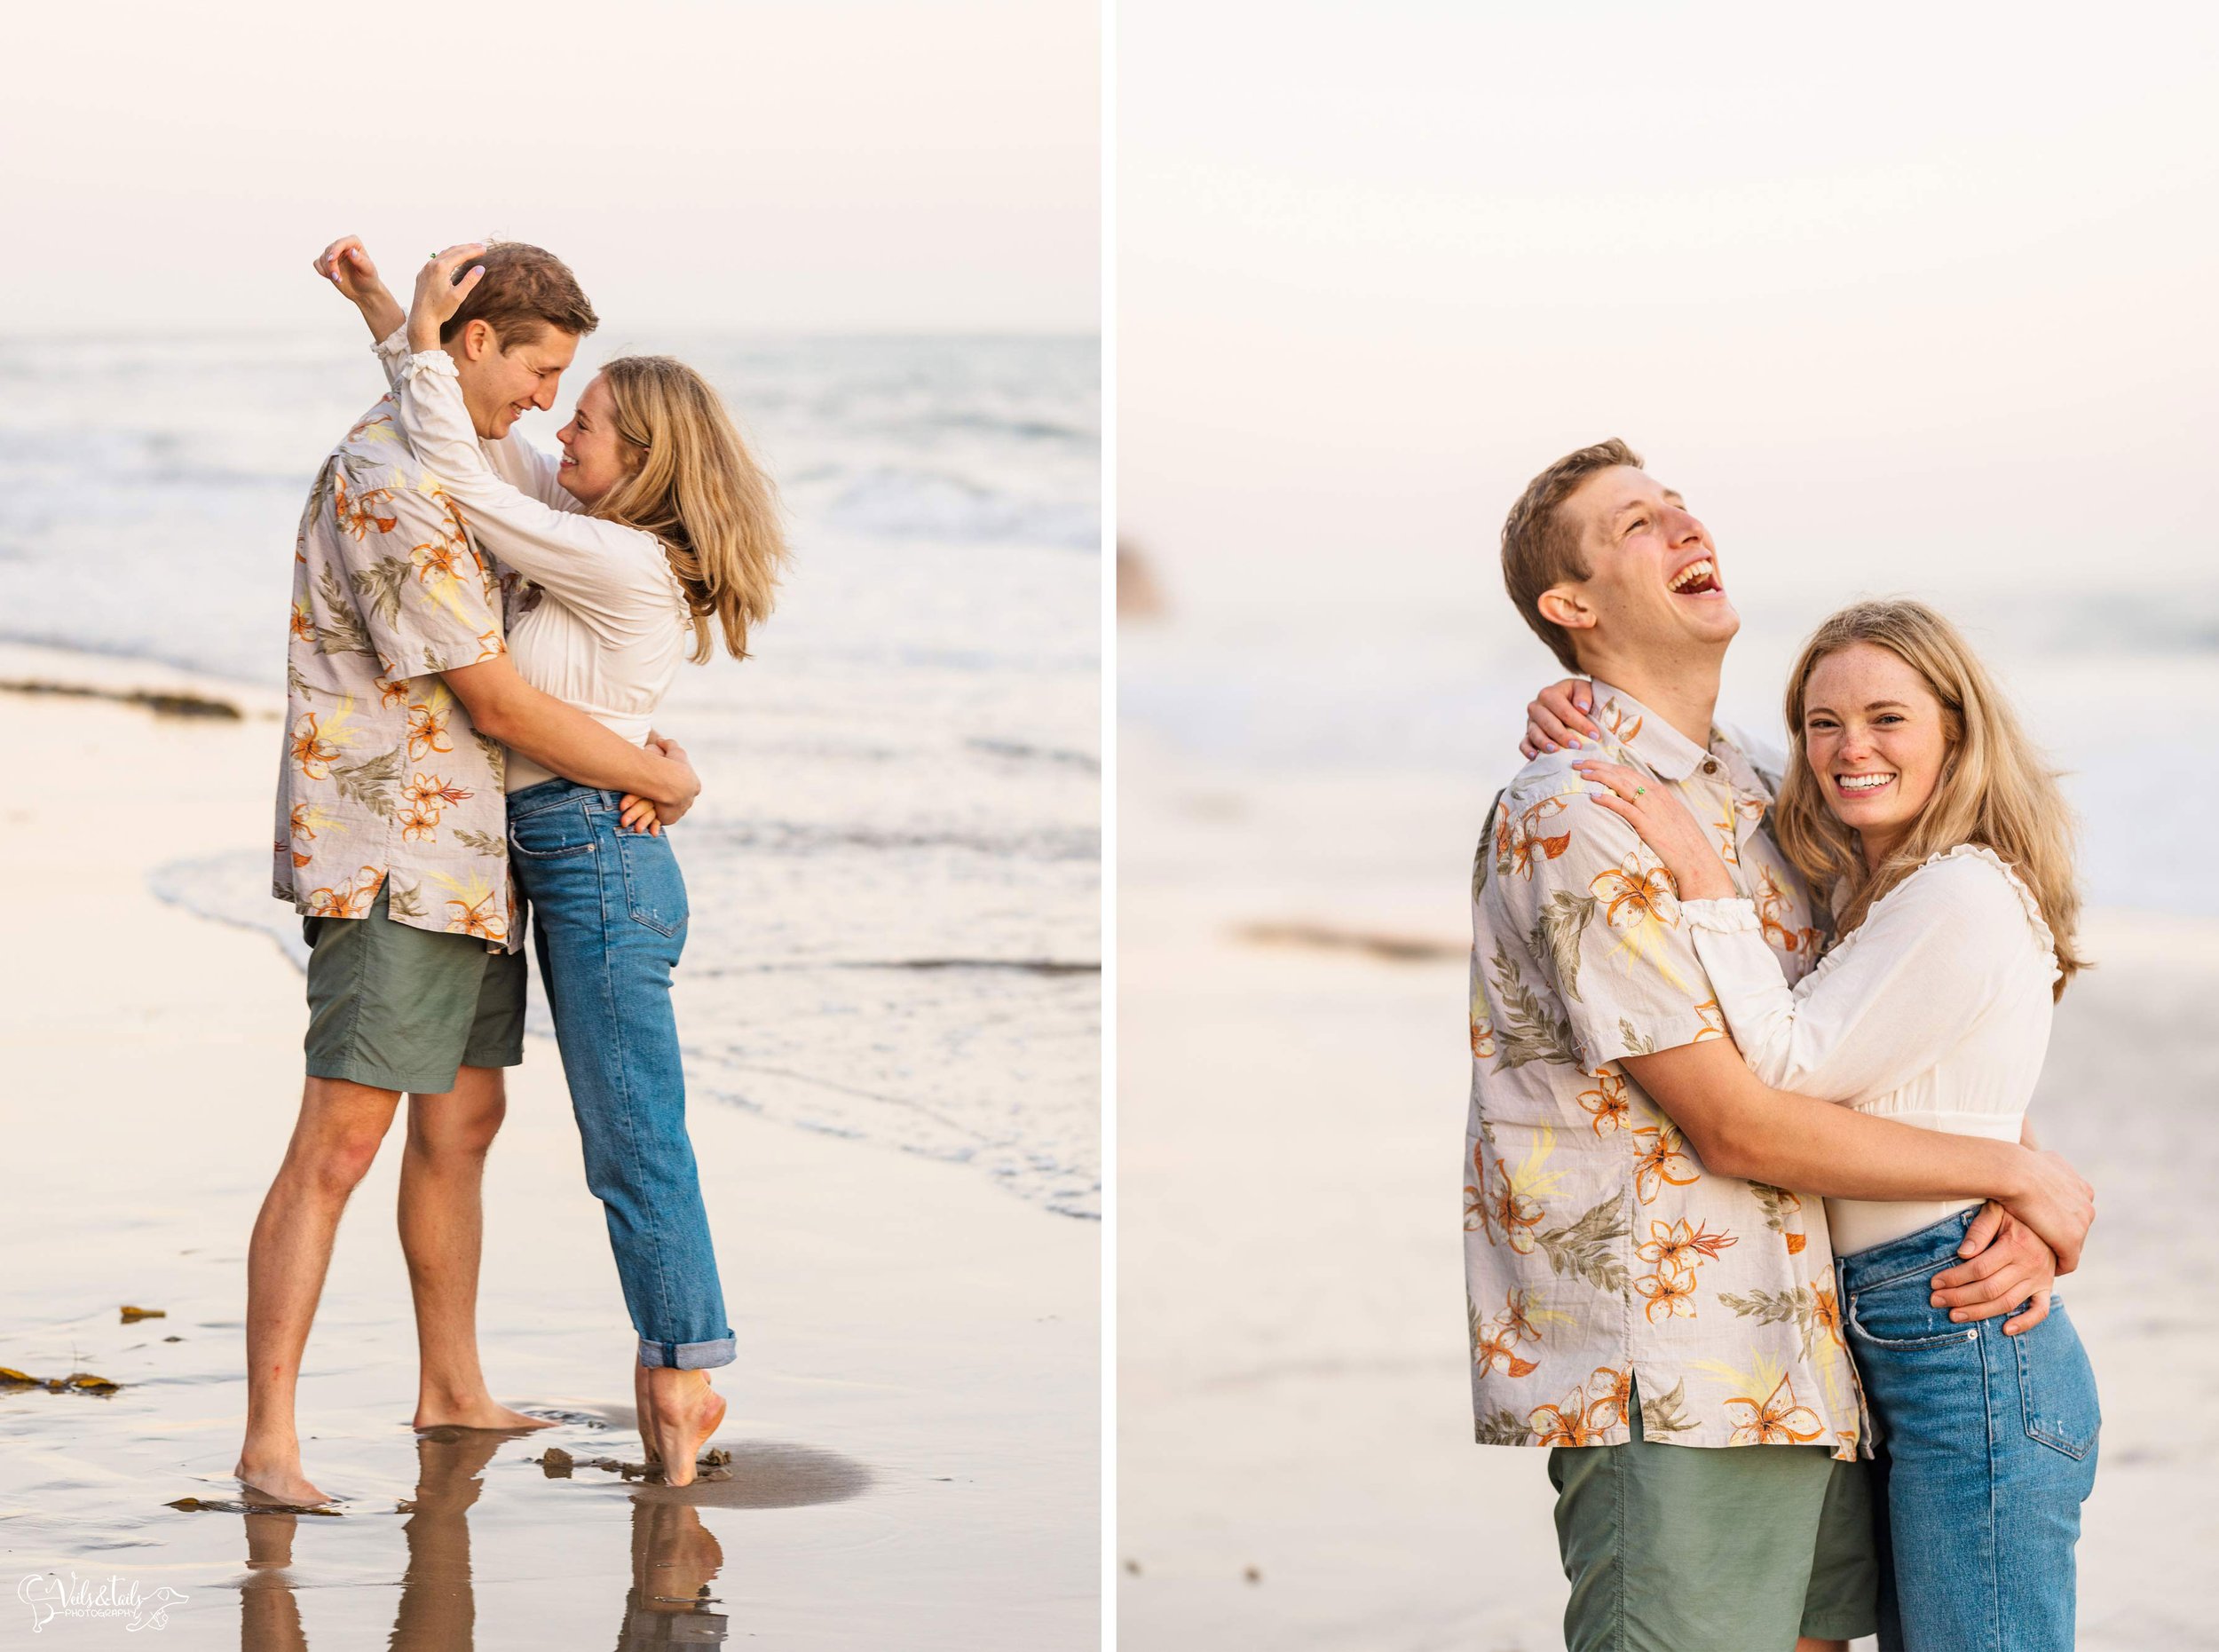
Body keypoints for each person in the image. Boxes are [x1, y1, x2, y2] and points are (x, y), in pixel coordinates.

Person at [1465, 439, 2096, 1652]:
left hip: (1824, 1355)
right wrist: (2017, 1177)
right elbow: (1736, 1120)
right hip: (1679, 1369)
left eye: (1682, 505)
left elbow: (1899, 1018)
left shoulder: (1771, 784)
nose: (1684, 524)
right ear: (1572, 606)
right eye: (1640, 521)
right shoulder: (1577, 809)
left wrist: (2003, 1158)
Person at [316, 238, 786, 1486]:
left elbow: (461, 489)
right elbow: (464, 436)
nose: (556, 426)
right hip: (567, 848)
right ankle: (674, 1373)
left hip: (595, 857)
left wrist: (653, 775)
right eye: (558, 400)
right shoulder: (583, 520)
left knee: (634, 1137)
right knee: (618, 1135)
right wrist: (391, 318)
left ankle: (685, 1378)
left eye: (583, 421)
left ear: (642, 463)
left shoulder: (615, 554)